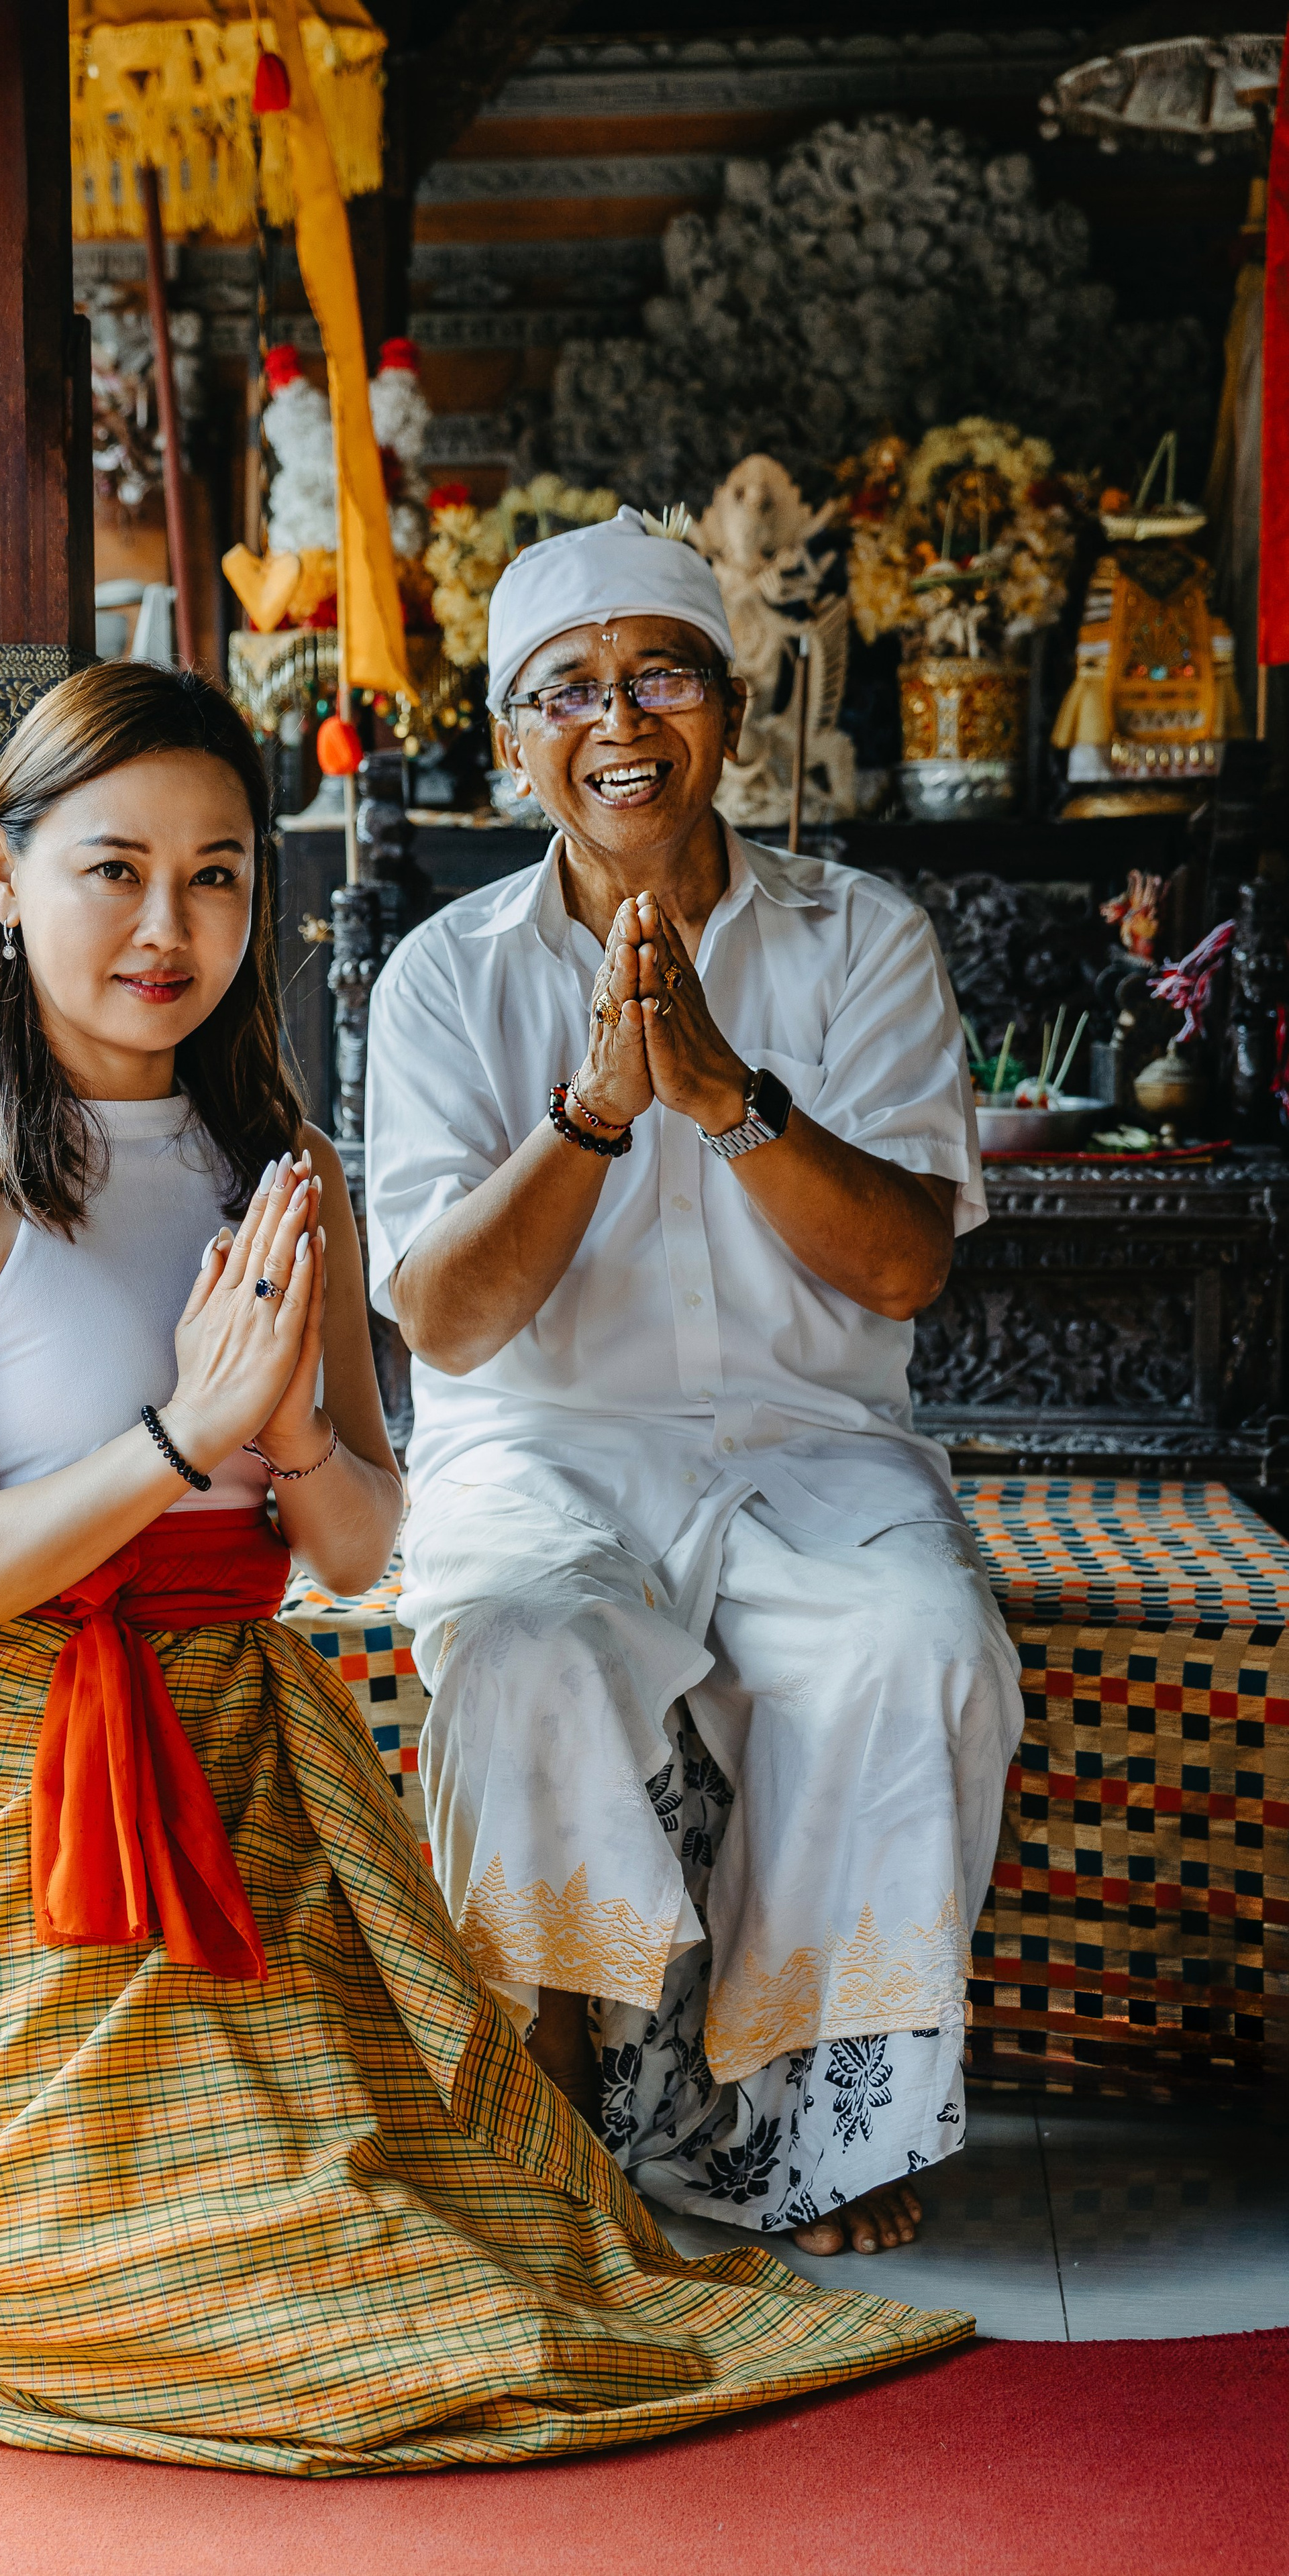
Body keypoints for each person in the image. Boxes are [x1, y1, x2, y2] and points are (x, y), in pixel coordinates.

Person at [0, 661, 969, 2473]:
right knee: (156, 2291)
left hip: (241, 1753)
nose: (172, 927)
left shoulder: (277, 1161)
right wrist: (177, 1437)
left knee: (409, 2256)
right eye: (116, 870)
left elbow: (350, 1544)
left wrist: (290, 1436)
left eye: (222, 873)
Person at [365, 508, 1024, 2260]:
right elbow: (439, 1319)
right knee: (522, 1643)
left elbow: (904, 1266)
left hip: (818, 1453)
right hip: (545, 1450)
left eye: (659, 672)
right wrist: (593, 1108)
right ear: (515, 744)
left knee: (918, 1645)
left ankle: (823, 2122)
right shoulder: (448, 979)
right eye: (568, 690)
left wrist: (725, 1091)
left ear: (727, 710)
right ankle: (551, 2088)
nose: (619, 720)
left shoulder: (858, 941)